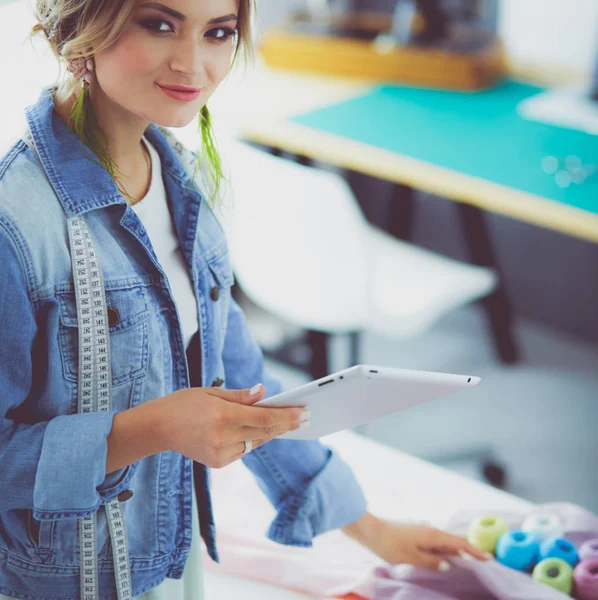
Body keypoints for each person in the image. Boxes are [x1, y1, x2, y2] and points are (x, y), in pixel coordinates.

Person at [0, 1, 488, 598]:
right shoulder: (14, 226)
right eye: (159, 24)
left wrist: (372, 529)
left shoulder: (179, 178)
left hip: (164, 554)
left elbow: (242, 378)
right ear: (82, 25)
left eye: (218, 33)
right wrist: (151, 427)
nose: (194, 64)